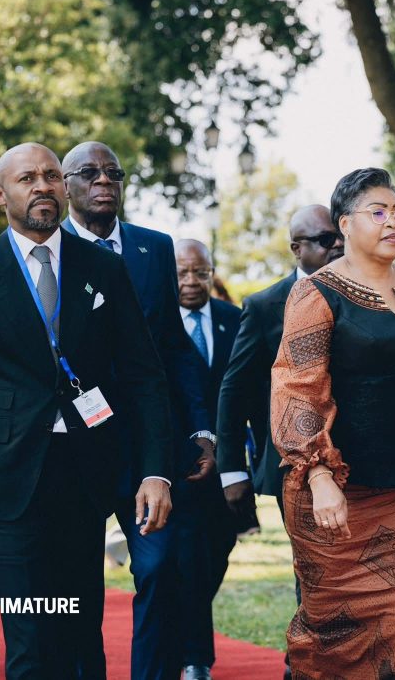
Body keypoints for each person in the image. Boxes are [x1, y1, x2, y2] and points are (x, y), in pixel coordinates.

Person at [0, 143, 175, 680]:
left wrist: (155, 471)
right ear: (0, 196)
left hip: (87, 474)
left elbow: (144, 376)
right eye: (27, 178)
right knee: (31, 639)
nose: (42, 186)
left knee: (81, 634)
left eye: (51, 176)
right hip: (10, 479)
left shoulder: (104, 267)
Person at [270, 168, 395, 677]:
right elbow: (297, 387)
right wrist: (318, 475)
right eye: (378, 212)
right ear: (345, 223)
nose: (393, 222)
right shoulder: (316, 294)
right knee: (334, 644)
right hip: (342, 499)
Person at [58, 140, 215, 680]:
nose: (103, 181)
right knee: (79, 583)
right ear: (66, 185)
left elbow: (175, 346)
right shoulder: (51, 251)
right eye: (89, 173)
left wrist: (202, 427)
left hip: (151, 444)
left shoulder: (155, 247)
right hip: (76, 445)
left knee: (160, 567)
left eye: (113, 173)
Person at [216, 205, 344, 517]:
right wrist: (232, 470)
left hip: (362, 459)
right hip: (293, 464)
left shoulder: (365, 294)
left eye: (341, 235)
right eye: (326, 239)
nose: (339, 244)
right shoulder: (264, 306)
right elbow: (235, 389)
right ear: (297, 249)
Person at [172, 239, 244, 680]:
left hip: (229, 465)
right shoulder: (156, 321)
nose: (191, 281)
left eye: (200, 272)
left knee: (218, 550)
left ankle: (185, 632)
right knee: (188, 561)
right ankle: (195, 657)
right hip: (179, 466)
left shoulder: (234, 319)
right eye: (182, 272)